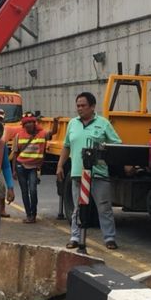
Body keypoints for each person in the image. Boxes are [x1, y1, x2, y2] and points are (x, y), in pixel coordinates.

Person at [55, 92, 122, 250]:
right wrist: (59, 165)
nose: (80, 109)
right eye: (78, 106)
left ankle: (109, 238)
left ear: (92, 107)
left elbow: (116, 145)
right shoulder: (73, 124)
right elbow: (66, 146)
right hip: (78, 174)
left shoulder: (103, 124)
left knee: (104, 207)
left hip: (98, 174)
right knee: (78, 208)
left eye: (83, 105)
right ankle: (75, 237)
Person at [12, 112, 59, 223]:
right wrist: (14, 170)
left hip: (33, 167)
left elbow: (53, 132)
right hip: (20, 165)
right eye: (26, 123)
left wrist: (55, 122)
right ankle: (29, 215)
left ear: (34, 123)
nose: (29, 125)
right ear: (23, 125)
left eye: (31, 122)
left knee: (33, 190)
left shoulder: (42, 133)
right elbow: (15, 153)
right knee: (24, 191)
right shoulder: (18, 135)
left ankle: (34, 213)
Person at [0, 108, 17, 218]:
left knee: (1, 187)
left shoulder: (7, 130)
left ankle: (1, 210)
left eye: (0, 119)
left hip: (0, 163)